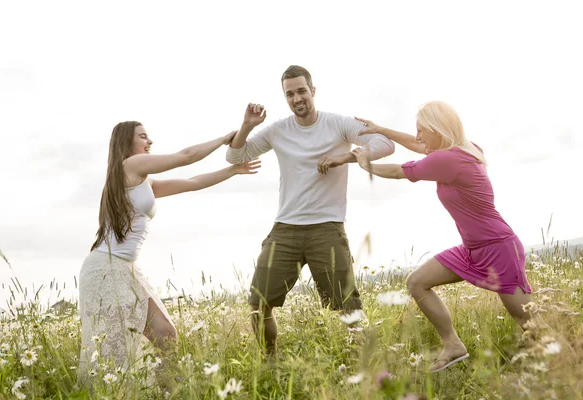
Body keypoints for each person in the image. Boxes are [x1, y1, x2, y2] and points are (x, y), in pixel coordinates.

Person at [225, 65, 395, 358]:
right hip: (285, 228)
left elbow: (385, 143)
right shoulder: (278, 130)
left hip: (326, 228)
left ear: (313, 91)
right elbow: (235, 155)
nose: (296, 98)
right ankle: (270, 361)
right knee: (258, 302)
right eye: (289, 94)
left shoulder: (338, 124)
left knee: (348, 308)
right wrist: (247, 126)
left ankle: (364, 369)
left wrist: (344, 158)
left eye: (301, 91)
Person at [351, 101, 533, 372]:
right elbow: (419, 147)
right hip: (471, 249)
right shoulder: (466, 149)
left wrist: (365, 164)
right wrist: (382, 130)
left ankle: (564, 363)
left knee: (528, 322)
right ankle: (453, 345)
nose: (418, 136)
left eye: (422, 130)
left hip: (498, 249)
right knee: (417, 282)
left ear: (438, 129)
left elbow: (401, 171)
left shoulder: (449, 160)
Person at [77, 121, 260, 386]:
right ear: (126, 143)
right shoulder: (130, 166)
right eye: (143, 137)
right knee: (113, 353)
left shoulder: (144, 181)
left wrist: (232, 170)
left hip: (125, 267)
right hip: (105, 268)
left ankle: (167, 391)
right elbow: (185, 158)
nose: (149, 141)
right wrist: (223, 139)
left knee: (165, 333)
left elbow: (193, 182)